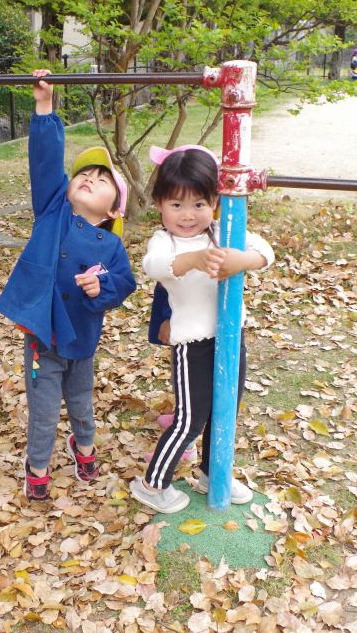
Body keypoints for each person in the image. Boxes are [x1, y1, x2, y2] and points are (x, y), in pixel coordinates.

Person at [0, 69, 137, 502]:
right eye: (85, 173)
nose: (90, 177)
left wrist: (102, 289)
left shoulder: (111, 244)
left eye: (103, 179)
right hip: (44, 337)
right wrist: (44, 108)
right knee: (43, 410)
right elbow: (45, 160)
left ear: (113, 207)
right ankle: (37, 467)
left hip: (84, 340)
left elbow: (125, 283)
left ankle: (85, 446)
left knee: (81, 402)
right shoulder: (53, 208)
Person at [129, 145, 274, 514]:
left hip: (230, 338)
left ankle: (214, 471)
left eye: (198, 203)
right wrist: (195, 259)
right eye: (176, 205)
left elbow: (265, 250)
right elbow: (157, 265)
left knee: (226, 408)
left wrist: (243, 259)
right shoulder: (166, 240)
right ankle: (152, 484)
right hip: (191, 345)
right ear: (160, 204)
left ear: (215, 202)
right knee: (190, 419)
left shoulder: (222, 232)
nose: (188, 215)